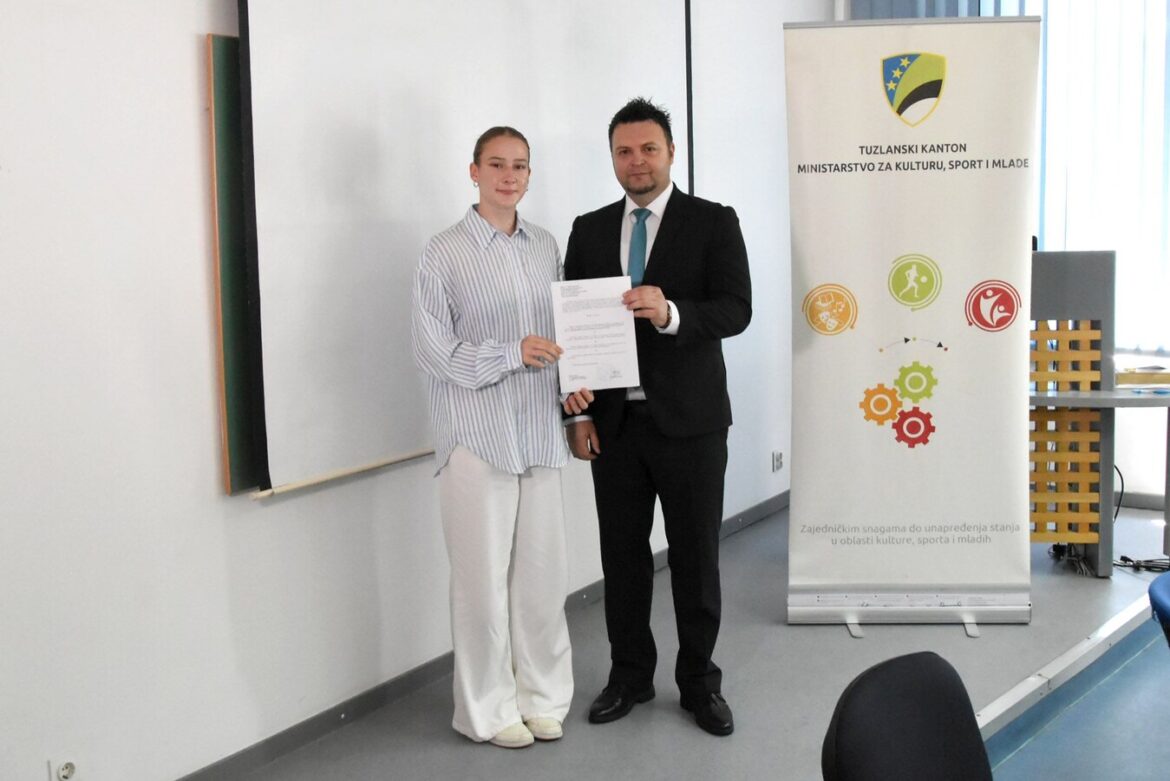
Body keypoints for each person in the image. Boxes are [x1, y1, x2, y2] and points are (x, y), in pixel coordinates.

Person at [562, 98, 751, 737]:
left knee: (696, 559)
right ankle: (629, 676)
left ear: (671, 152)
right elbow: (572, 329)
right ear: (612, 158)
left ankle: (699, 683)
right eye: (624, 151)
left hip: (692, 424)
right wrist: (576, 418)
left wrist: (672, 314)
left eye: (648, 149)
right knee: (622, 559)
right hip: (614, 427)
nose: (636, 161)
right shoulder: (589, 229)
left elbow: (736, 309)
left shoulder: (713, 221)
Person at [411, 126, 573, 749]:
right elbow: (433, 351)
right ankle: (486, 709)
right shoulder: (442, 252)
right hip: (476, 441)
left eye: (520, 166)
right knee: (480, 584)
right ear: (473, 171)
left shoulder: (546, 246)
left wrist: (575, 383)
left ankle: (543, 698)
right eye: (497, 164)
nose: (510, 176)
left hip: (539, 431)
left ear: (530, 175)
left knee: (543, 580)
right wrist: (511, 353)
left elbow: (563, 333)